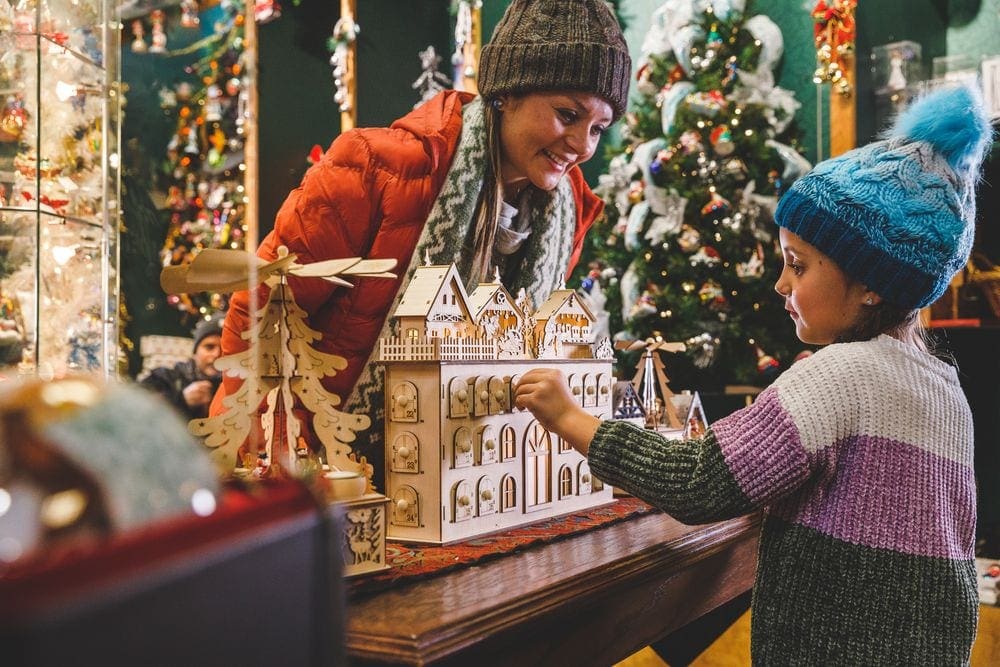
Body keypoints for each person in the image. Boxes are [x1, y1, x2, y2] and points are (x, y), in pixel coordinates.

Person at [514, 84, 992, 664]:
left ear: (871, 284)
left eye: (798, 265)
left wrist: (569, 417)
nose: (781, 285)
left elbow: (697, 481)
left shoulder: (839, 375)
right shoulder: (944, 387)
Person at [213, 0, 631, 469]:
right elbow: (263, 307)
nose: (581, 145)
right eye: (567, 115)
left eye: (598, 128)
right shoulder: (376, 166)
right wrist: (279, 462)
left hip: (460, 470)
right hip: (321, 466)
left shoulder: (567, 210)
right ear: (507, 93)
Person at [142, 315, 223, 420]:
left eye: (225, 349)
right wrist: (181, 400)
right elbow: (135, 408)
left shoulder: (240, 388)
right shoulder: (165, 378)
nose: (217, 354)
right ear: (195, 352)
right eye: (209, 347)